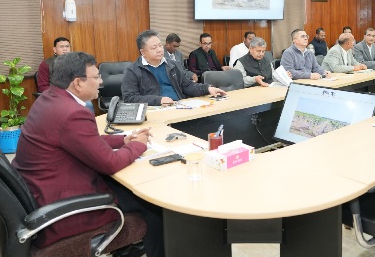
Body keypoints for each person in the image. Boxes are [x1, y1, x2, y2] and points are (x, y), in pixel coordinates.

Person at [12, 51, 165, 257]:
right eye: (96, 77)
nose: (101, 82)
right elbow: (110, 163)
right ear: (78, 83)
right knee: (153, 204)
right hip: (65, 209)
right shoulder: (73, 113)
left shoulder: (50, 99)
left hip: (44, 192)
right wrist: (139, 145)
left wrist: (123, 140)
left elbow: (82, 141)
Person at [121, 30, 226, 105]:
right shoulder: (133, 71)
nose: (159, 50)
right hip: (155, 111)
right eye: (154, 47)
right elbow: (130, 98)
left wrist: (207, 88)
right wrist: (158, 100)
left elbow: (188, 86)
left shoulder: (173, 65)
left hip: (179, 106)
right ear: (143, 52)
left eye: (160, 45)